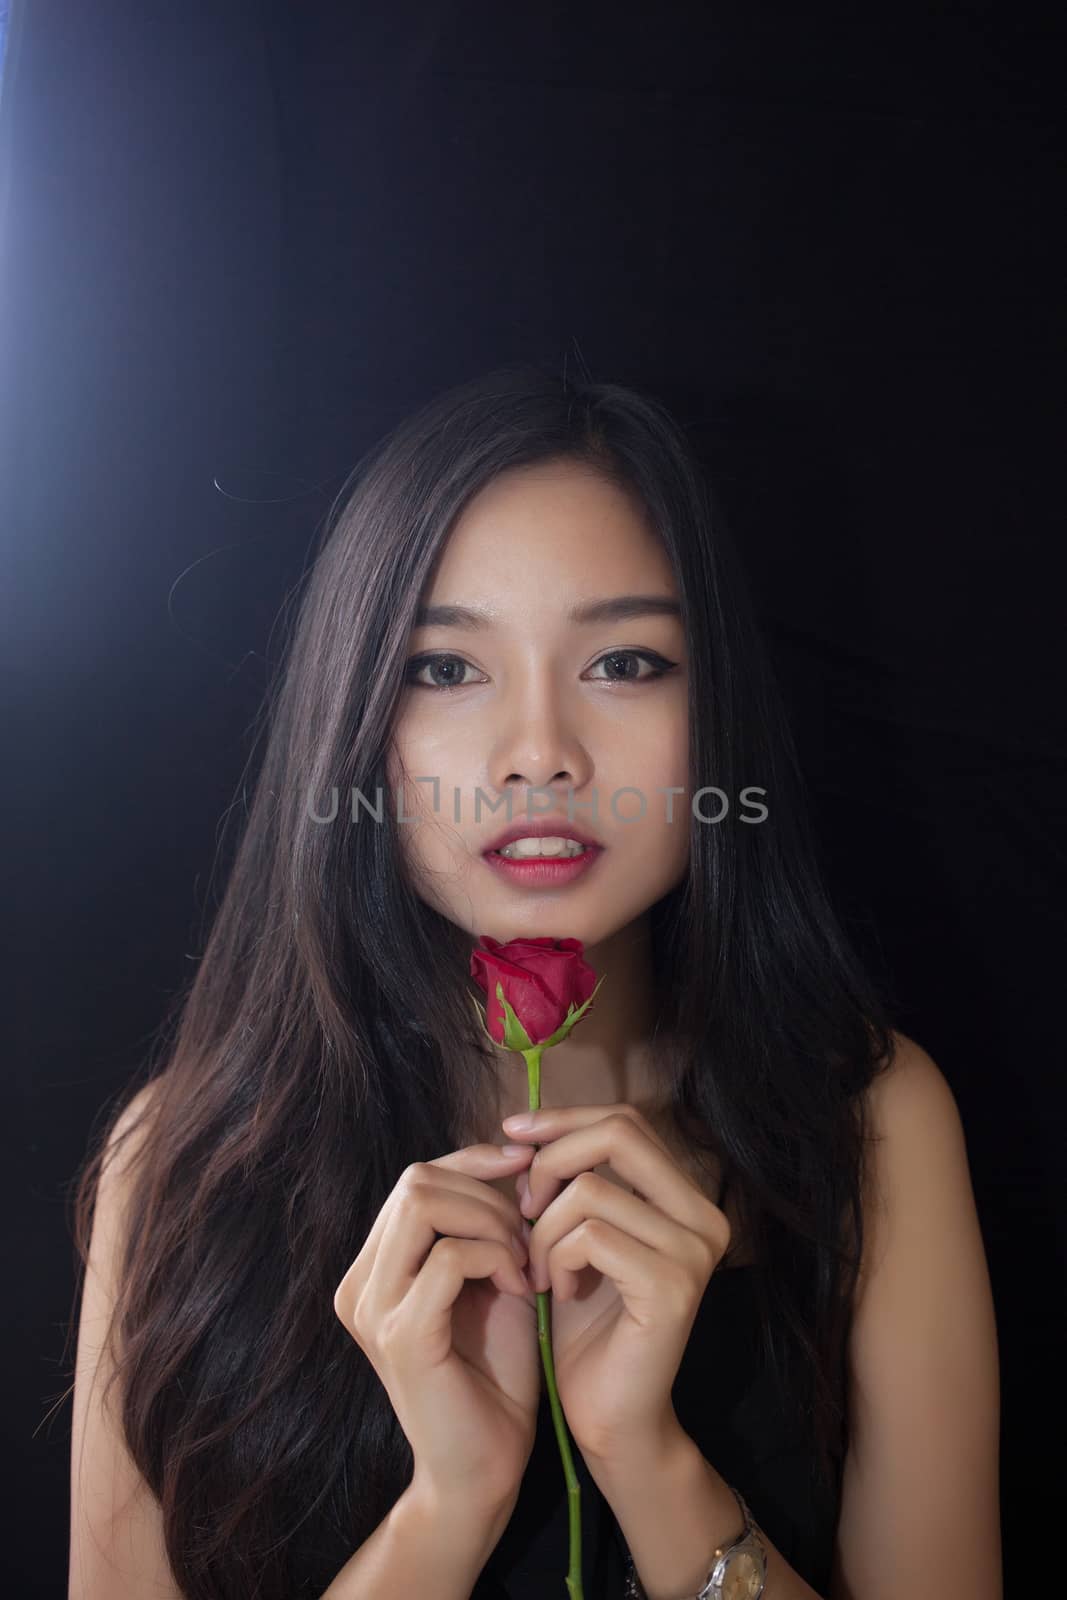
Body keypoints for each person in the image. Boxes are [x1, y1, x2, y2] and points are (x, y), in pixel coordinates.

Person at [66, 363, 1001, 1600]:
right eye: (444, 669)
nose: (540, 756)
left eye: (624, 662)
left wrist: (648, 1460)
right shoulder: (186, 1160)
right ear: (354, 722)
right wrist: (450, 1506)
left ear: (715, 710)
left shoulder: (870, 1122)